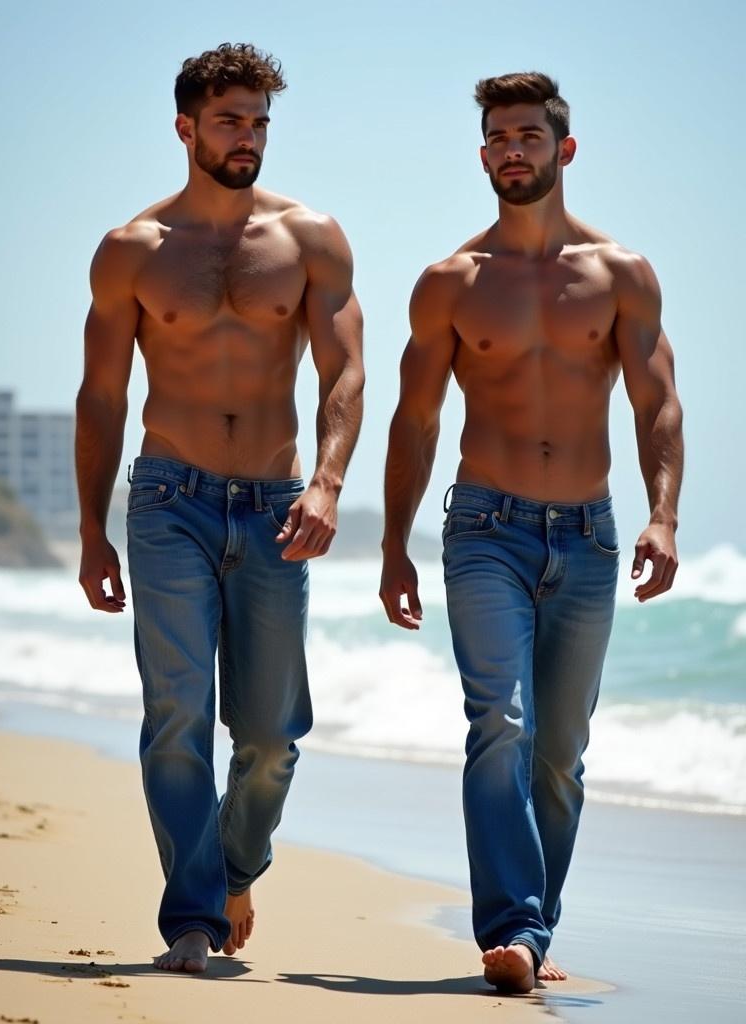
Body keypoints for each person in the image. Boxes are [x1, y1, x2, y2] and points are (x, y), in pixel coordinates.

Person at [379, 71, 682, 992]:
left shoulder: (620, 274)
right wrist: (394, 544)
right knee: (498, 722)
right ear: (484, 156)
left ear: (565, 148)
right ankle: (509, 930)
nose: (514, 149)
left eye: (530, 136)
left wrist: (664, 515)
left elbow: (657, 402)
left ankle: (534, 935)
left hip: (589, 534)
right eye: (499, 138)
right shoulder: (450, 283)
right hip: (486, 528)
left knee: (560, 754)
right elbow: (416, 419)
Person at [76, 42, 364, 974]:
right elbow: (102, 397)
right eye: (232, 120)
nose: (249, 138)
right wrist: (91, 529)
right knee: (177, 716)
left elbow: (347, 371)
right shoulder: (132, 251)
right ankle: (192, 919)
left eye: (260, 123)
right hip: (168, 500)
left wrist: (326, 482)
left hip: (278, 503)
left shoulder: (310, 237)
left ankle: (235, 868)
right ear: (186, 127)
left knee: (274, 735)